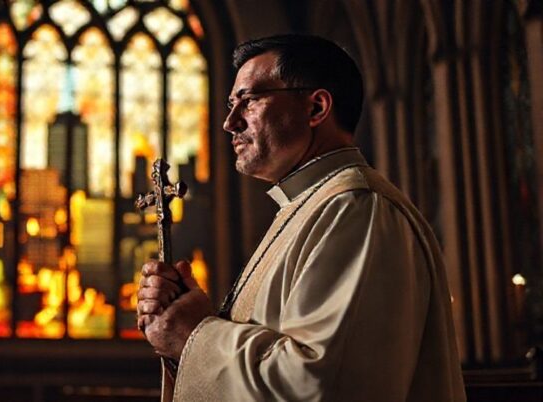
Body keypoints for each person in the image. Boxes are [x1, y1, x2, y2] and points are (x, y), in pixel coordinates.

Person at [136, 34, 466, 402]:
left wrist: (196, 334)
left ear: (316, 108)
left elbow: (324, 385)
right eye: (231, 104)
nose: (230, 122)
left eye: (248, 100)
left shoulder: (356, 209)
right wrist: (186, 330)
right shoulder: (308, 207)